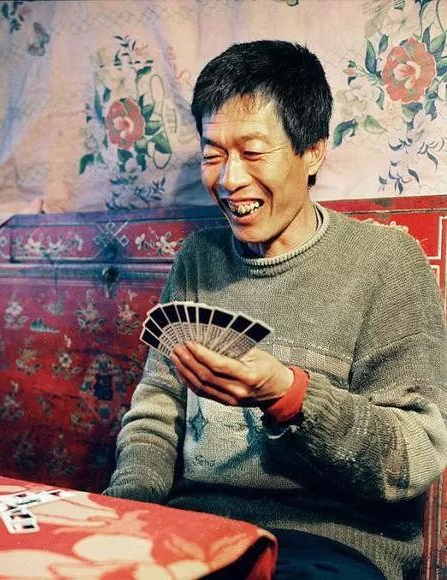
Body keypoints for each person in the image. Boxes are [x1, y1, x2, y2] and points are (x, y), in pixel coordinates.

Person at [103, 40, 446, 579]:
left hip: (330, 544)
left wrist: (290, 395)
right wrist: (128, 516)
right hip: (196, 528)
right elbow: (157, 411)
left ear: (313, 152)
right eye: (213, 155)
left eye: (253, 152)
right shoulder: (199, 258)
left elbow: (413, 456)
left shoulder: (386, 262)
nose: (229, 179)